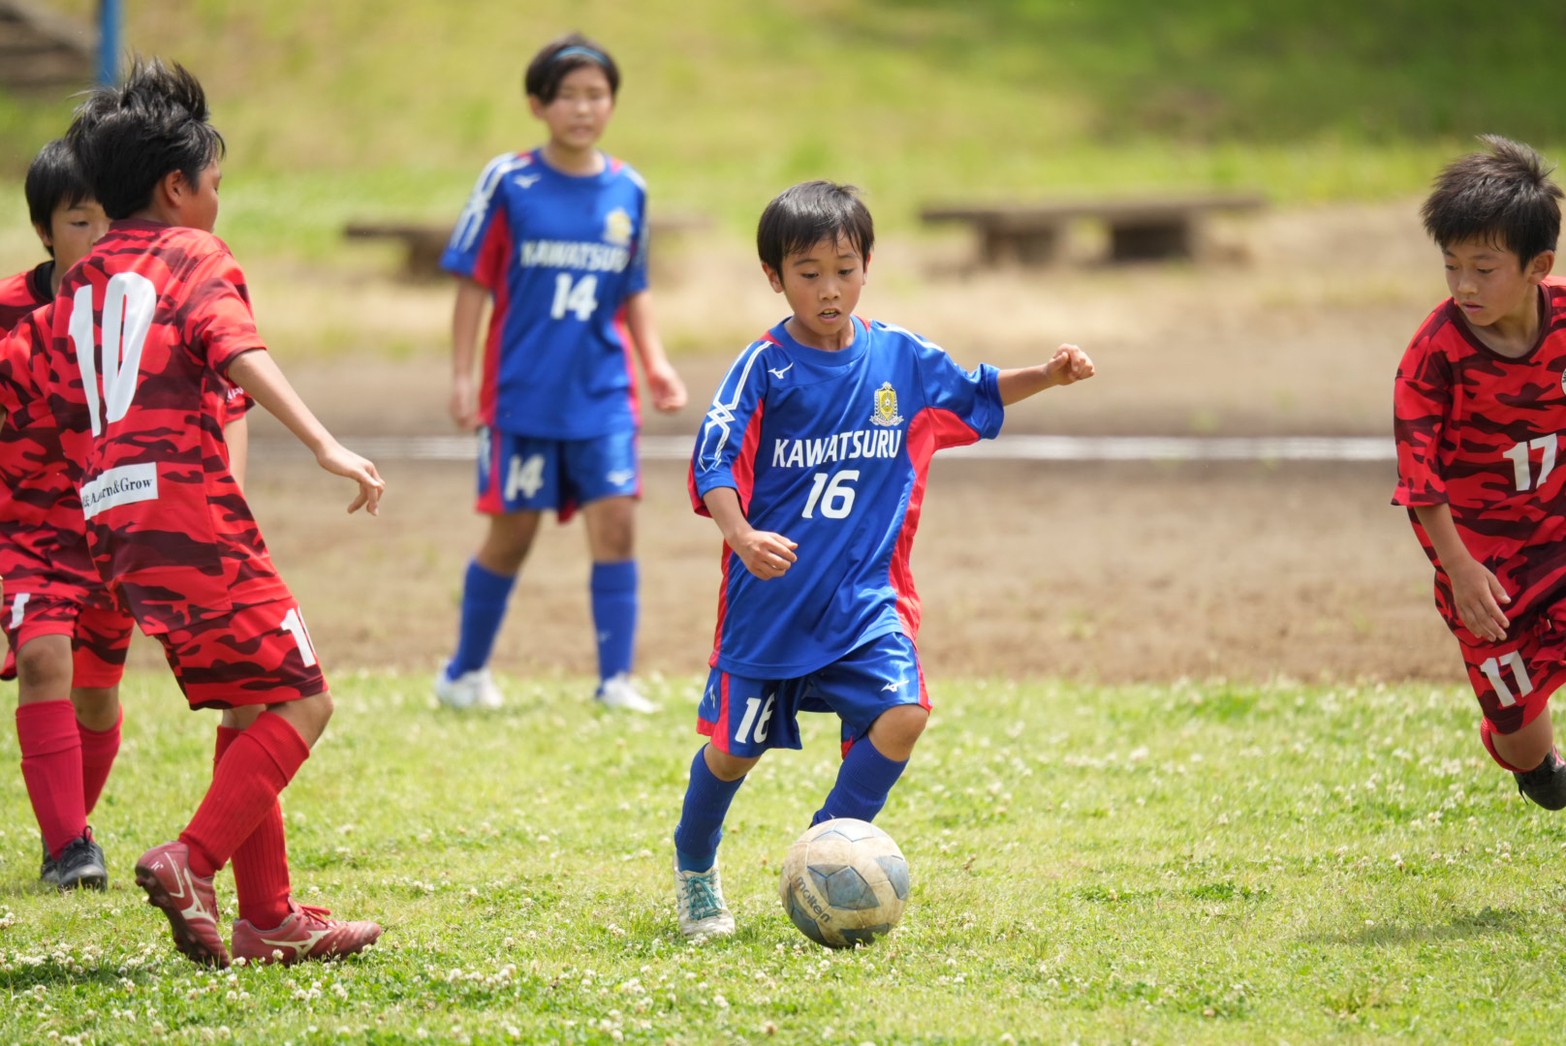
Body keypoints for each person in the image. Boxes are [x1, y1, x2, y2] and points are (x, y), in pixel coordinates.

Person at [0, 58, 383, 968]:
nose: (218, 199)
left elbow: (50, 417)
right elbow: (235, 345)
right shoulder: (194, 254)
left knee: (249, 704)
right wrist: (324, 441)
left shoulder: (75, 287)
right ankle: (191, 859)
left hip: (112, 529)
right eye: (214, 182)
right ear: (176, 187)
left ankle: (269, 917)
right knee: (303, 700)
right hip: (188, 508)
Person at [671, 180, 1095, 938]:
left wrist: (1049, 375)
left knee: (903, 715)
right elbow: (716, 458)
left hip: (868, 601)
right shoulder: (764, 368)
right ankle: (696, 867)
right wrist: (739, 535)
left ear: (868, 264)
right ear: (775, 277)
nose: (829, 289)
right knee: (733, 755)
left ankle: (826, 853)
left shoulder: (901, 358)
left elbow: (977, 390)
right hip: (771, 607)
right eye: (808, 273)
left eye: (844, 268)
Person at [1, 141, 253, 893]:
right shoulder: (14, 311)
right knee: (45, 659)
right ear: (45, 230)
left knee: (97, 689)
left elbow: (225, 402)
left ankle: (72, 827)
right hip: (28, 524)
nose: (100, 239)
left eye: (111, 223)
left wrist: (223, 497)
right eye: (81, 222)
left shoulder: (148, 299)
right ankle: (68, 849)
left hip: (111, 522)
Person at [435, 32, 686, 713]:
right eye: (568, 95)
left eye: (596, 95)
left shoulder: (628, 188)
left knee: (617, 525)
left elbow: (634, 288)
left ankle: (615, 681)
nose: (583, 108)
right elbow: (473, 285)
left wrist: (655, 363)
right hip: (521, 397)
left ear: (612, 103)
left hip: (603, 393)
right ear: (538, 105)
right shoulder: (508, 181)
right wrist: (462, 377)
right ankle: (464, 673)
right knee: (513, 534)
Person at [1393, 134, 1566, 811]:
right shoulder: (1433, 356)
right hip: (1485, 569)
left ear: (1536, 265)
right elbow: (1420, 484)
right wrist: (1461, 574)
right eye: (1451, 266)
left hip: (1559, 533)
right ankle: (1524, 752)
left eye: (1484, 268)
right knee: (1536, 769)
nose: (1464, 285)